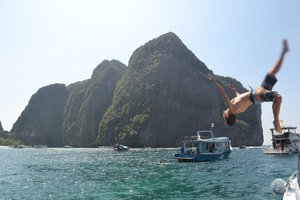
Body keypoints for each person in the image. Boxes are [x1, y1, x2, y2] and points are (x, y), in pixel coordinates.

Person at [210, 39, 289, 134]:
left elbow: (241, 98)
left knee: (271, 74)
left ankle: (283, 52)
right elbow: (222, 92)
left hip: (258, 92)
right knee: (278, 97)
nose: (223, 113)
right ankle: (276, 121)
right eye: (224, 115)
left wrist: (235, 91)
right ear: (227, 115)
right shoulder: (231, 108)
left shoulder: (234, 106)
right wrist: (214, 82)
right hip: (257, 94)